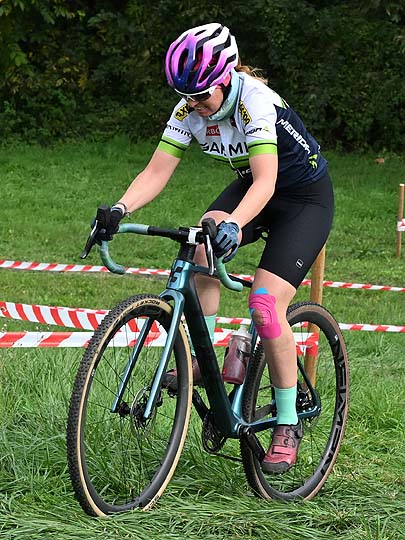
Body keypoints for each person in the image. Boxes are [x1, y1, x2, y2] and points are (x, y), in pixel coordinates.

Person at [96, 23, 334, 474]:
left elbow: (267, 181)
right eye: (186, 97)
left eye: (202, 96)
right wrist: (119, 208)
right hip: (255, 187)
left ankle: (287, 421)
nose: (195, 106)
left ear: (226, 78)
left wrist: (235, 224)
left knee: (265, 305)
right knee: (200, 247)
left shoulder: (254, 102)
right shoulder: (190, 105)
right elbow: (157, 170)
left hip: (302, 200)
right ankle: (206, 360)